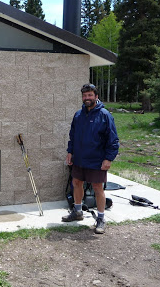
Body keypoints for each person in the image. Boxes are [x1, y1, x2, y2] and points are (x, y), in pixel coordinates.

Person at [62, 83, 119, 234]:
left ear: (96, 96)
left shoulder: (105, 115)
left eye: (90, 95)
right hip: (79, 158)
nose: (87, 98)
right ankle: (78, 211)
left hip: (96, 159)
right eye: (84, 95)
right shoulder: (78, 115)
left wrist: (109, 158)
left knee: (97, 188)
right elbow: (72, 136)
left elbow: (113, 140)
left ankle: (100, 219)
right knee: (76, 183)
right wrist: (70, 152)